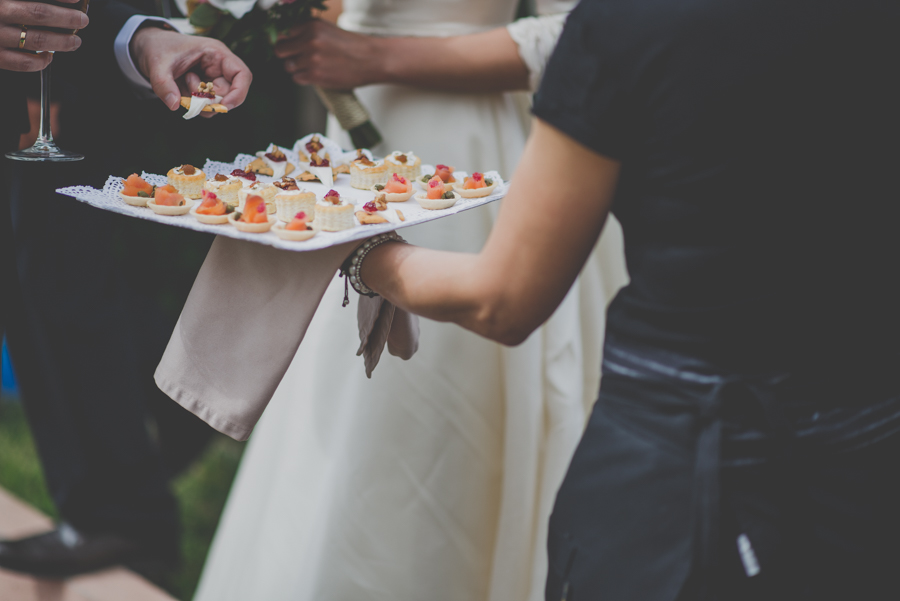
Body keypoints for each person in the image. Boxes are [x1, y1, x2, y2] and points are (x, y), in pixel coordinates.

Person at [330, 0, 900, 598]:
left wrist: (359, 252)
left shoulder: (623, 28)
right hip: (869, 459)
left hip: (676, 474)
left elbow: (501, 300)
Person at [194, 2, 628, 600]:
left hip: (462, 155)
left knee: (431, 407)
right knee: (333, 410)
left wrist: (375, 56)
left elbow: (583, 34)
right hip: (353, 151)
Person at [0, 0, 253, 578]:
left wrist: (139, 35)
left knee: (55, 259)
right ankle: (161, 431)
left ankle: (120, 514)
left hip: (62, 88)